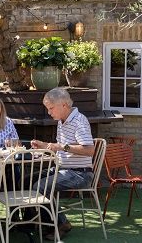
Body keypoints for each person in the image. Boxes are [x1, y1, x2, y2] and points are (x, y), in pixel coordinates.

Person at [30, 87, 94, 240]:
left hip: (80, 173)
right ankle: (33, 222)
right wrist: (44, 145)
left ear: (64, 105)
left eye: (51, 108)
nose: (49, 112)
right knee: (28, 179)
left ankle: (59, 223)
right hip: (64, 168)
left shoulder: (79, 121)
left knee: (39, 186)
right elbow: (60, 147)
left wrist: (60, 147)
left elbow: (89, 150)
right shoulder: (62, 121)